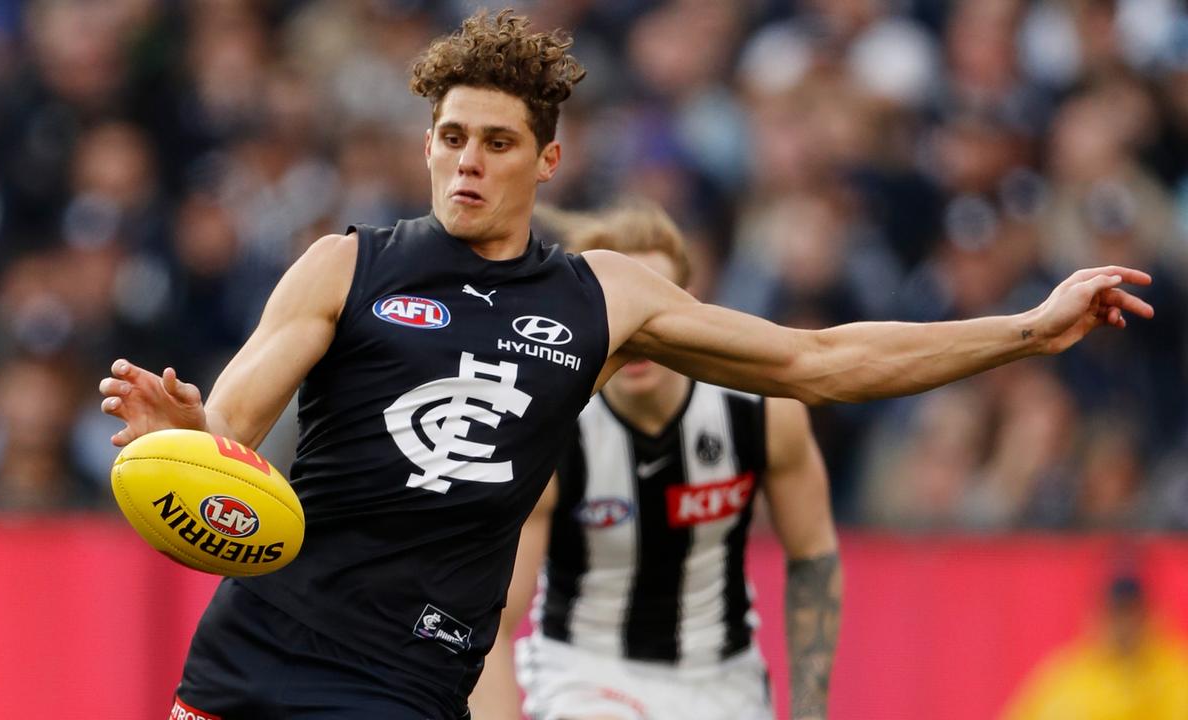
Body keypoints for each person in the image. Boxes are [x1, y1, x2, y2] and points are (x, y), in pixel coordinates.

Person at [98, 9, 1152, 720]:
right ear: (425, 143)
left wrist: (1022, 329)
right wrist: (176, 435)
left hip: (404, 683)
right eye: (450, 136)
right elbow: (226, 436)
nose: (467, 159)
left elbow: (820, 359)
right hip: (253, 660)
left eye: (497, 142)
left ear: (546, 159)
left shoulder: (603, 297)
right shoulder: (342, 266)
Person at [467, 203, 840, 720]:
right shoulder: (550, 429)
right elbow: (495, 621)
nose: (638, 334)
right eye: (622, 313)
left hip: (725, 681)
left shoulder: (761, 410)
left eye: (652, 314)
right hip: (586, 673)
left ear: (687, 314)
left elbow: (813, 556)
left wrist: (810, 708)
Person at [1001, 573, 1188, 720]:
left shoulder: (1176, 673)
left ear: (1148, 617)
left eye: (1131, 614)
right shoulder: (1068, 676)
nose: (1124, 626)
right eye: (1116, 615)